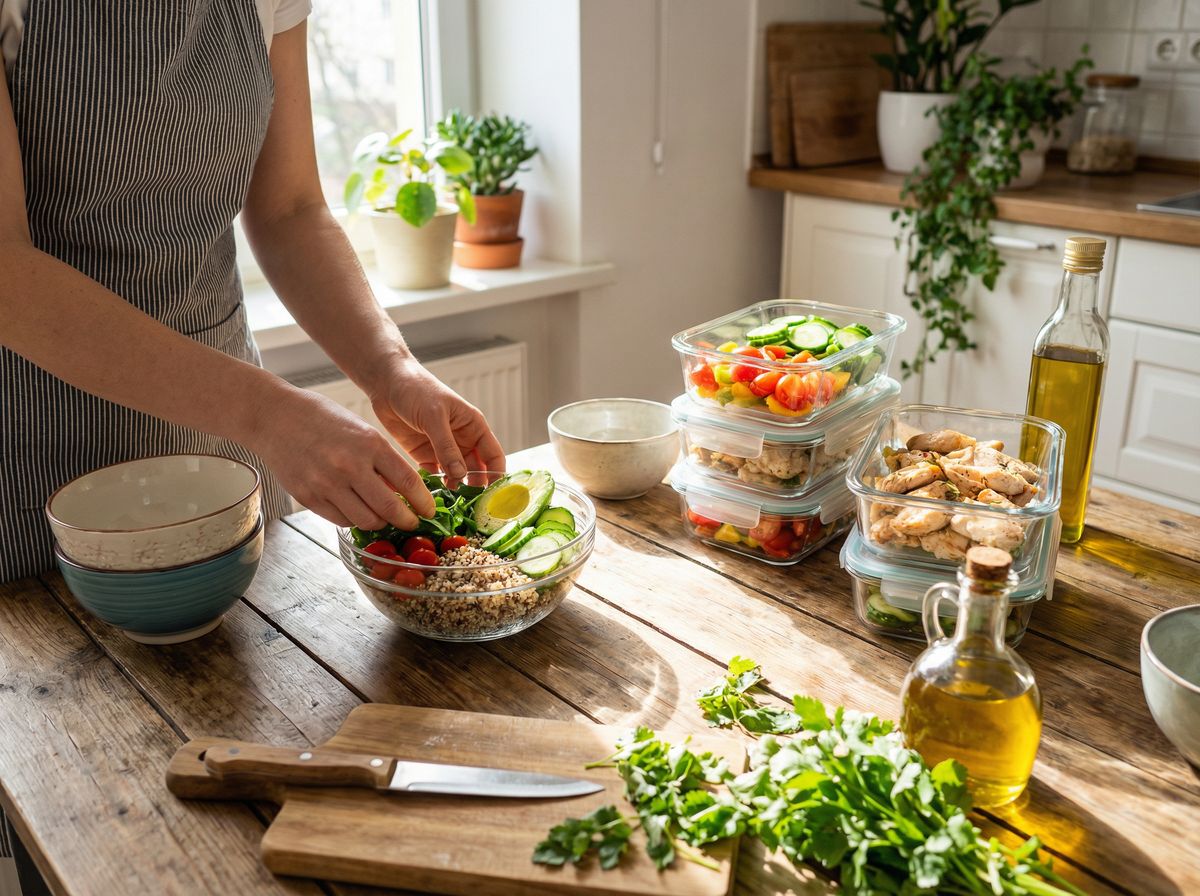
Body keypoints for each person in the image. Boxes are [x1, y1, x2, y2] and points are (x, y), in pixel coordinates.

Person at [0, 0, 506, 585]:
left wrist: (391, 369)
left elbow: (291, 210)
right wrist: (274, 416)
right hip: (35, 431)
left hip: (224, 431)